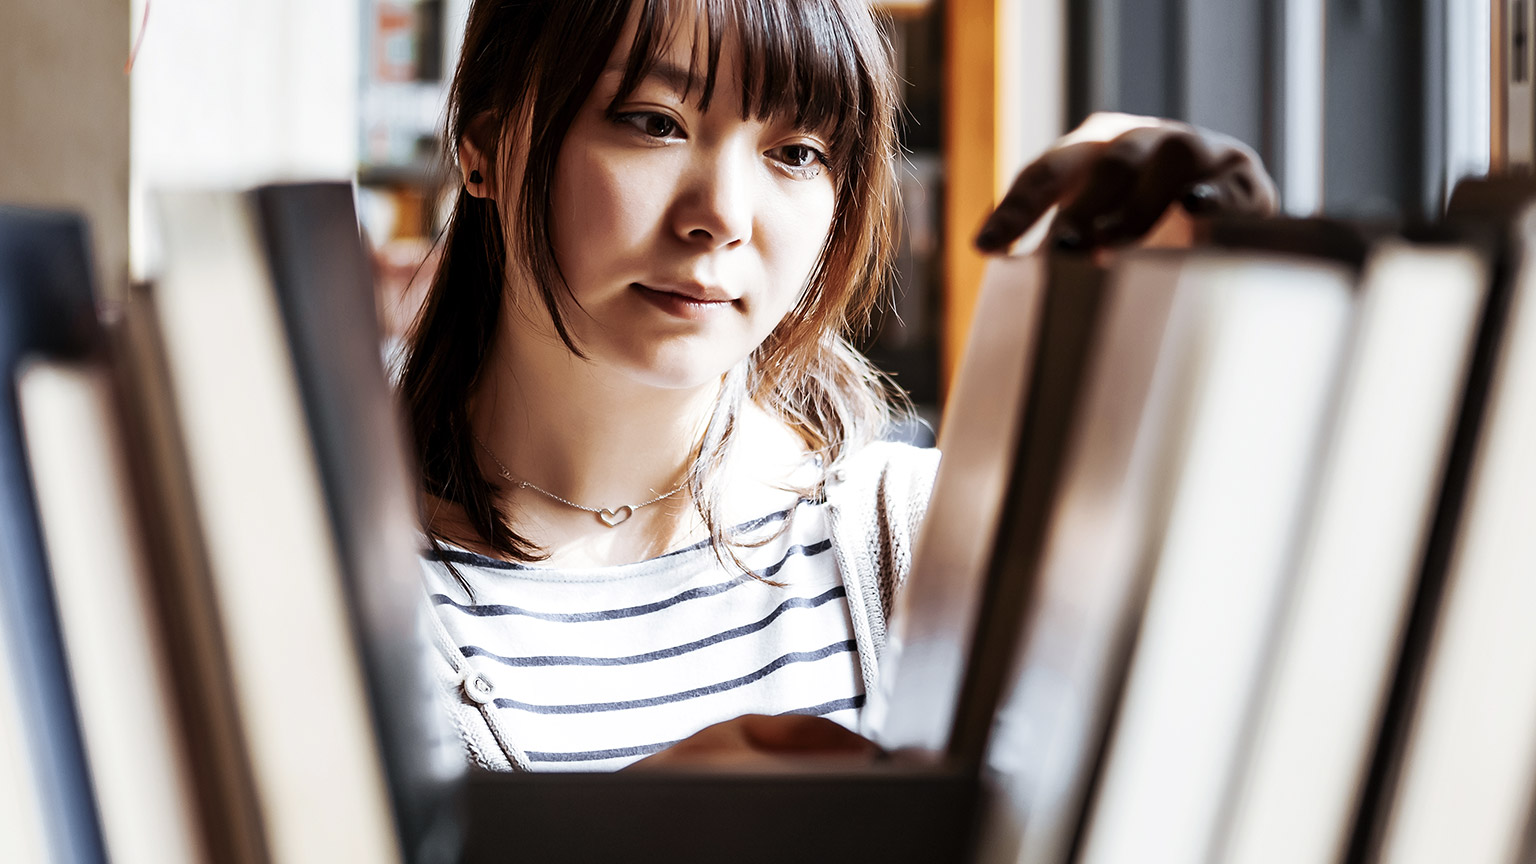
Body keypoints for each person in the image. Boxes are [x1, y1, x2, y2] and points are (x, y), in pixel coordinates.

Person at [404, 0, 1276, 773]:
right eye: (652, 121)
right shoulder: (331, 587)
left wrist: (1241, 310)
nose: (723, 216)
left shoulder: (926, 546)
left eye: (796, 151)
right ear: (482, 142)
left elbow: (1263, 702)